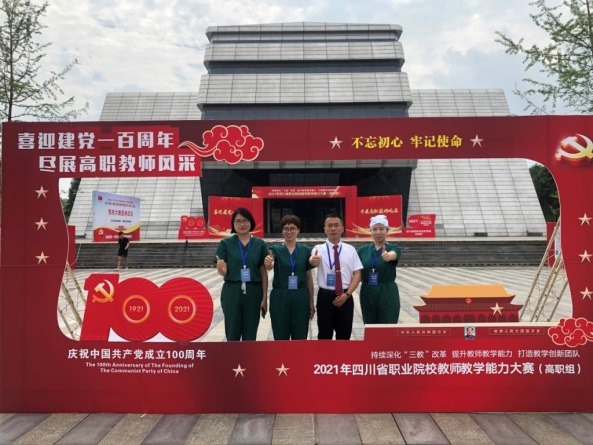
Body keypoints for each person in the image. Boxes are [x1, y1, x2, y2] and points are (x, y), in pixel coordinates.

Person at [215, 207, 268, 341]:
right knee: (232, 331)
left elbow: (263, 272)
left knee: (250, 333)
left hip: (253, 291)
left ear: (251, 222)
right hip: (232, 291)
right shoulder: (226, 244)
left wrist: (264, 297)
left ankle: (248, 355)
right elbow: (223, 271)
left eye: (245, 220)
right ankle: (232, 355)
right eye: (238, 221)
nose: (242, 224)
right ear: (233, 224)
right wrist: (220, 268)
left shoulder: (260, 244)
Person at [310, 214, 362, 340]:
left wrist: (347, 294)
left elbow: (357, 274)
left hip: (345, 296)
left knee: (344, 336)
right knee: (324, 336)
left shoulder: (350, 250)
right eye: (329, 226)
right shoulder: (318, 249)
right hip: (325, 298)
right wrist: (313, 260)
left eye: (336, 225)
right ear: (325, 229)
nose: (333, 228)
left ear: (342, 228)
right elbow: (312, 259)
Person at [264, 215, 315, 340]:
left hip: (301, 297)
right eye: (286, 228)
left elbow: (309, 278)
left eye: (292, 228)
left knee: (300, 337)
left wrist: (311, 302)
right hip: (280, 297)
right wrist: (269, 263)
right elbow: (271, 263)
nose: (289, 231)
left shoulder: (305, 250)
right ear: (282, 231)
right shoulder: (275, 249)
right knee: (280, 336)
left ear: (298, 230)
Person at [357, 215, 402, 324]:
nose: (378, 232)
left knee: (387, 324)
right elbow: (356, 271)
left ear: (387, 231)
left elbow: (394, 254)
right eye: (375, 229)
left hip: (387, 291)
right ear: (370, 231)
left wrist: (389, 256)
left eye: (381, 229)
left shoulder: (393, 247)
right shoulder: (363, 250)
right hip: (367, 291)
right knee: (370, 325)